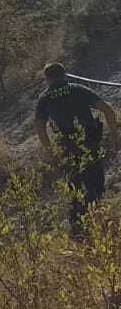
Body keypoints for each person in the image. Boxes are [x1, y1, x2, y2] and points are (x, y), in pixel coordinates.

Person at [36, 62, 119, 236]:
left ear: (47, 80)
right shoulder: (79, 89)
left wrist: (51, 152)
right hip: (89, 143)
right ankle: (101, 223)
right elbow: (108, 110)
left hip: (66, 148)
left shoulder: (45, 99)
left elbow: (40, 128)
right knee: (96, 184)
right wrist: (114, 135)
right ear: (64, 75)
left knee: (75, 188)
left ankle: (78, 229)